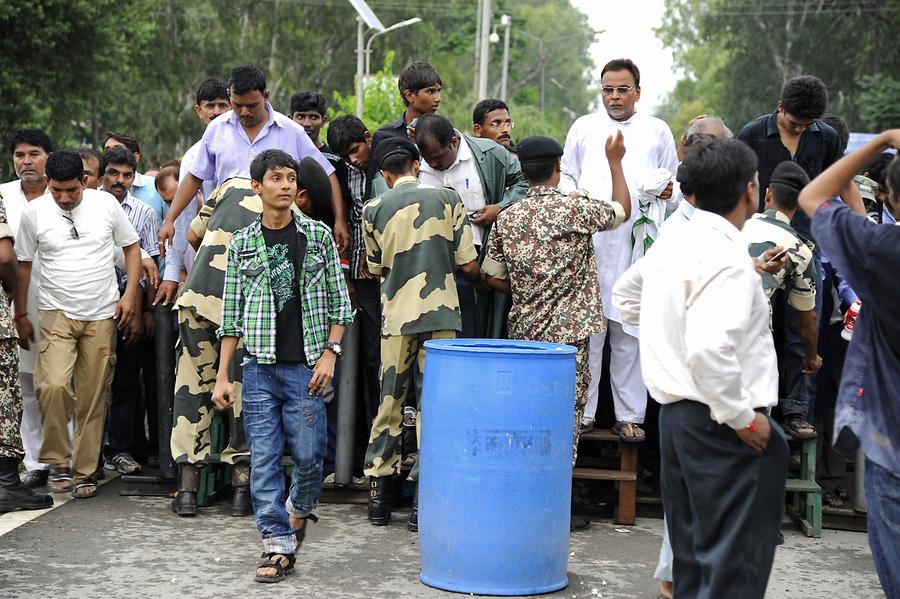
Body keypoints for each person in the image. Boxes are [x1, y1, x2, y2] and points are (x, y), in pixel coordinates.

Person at [612, 139, 788, 598]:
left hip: (677, 420)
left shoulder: (678, 240)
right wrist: (742, 418)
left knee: (692, 561)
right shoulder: (728, 256)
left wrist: (667, 332)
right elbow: (710, 352)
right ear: (752, 191)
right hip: (720, 423)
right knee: (731, 567)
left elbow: (626, 297)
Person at [213, 149, 353, 583]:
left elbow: (340, 305)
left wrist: (331, 353)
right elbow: (231, 314)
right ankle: (275, 544)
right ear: (258, 187)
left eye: (291, 178)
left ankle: (297, 509)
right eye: (276, 178)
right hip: (258, 368)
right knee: (266, 459)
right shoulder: (242, 242)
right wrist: (222, 375)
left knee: (311, 459)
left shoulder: (317, 236)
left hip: (307, 367)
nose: (287, 185)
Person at [483, 133, 632, 530]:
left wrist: (526, 288)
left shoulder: (508, 216)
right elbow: (622, 210)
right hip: (570, 338)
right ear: (558, 167)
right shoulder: (575, 209)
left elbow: (490, 274)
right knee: (565, 418)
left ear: (522, 171)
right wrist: (615, 162)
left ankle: (523, 499)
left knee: (526, 415)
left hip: (525, 334)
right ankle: (554, 505)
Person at [169, 157, 333, 517]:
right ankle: (242, 484)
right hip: (244, 314)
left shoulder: (228, 186)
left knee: (191, 389)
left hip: (197, 298)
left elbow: (193, 235)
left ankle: (187, 486)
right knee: (243, 396)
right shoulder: (300, 223)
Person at [797, 130, 900, 597]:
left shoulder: (884, 253)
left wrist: (880, 142)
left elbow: (814, 196)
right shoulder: (880, 248)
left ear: (888, 198)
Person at [362, 138, 481, 530]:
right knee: (436, 406)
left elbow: (376, 267)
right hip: (443, 314)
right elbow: (467, 262)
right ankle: (423, 500)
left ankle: (379, 495)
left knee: (390, 403)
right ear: (417, 165)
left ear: (384, 174)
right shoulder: (449, 198)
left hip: (397, 317)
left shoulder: (373, 208)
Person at [560, 58, 679, 441]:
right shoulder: (583, 127)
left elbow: (676, 187)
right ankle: (585, 411)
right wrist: (573, 196)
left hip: (636, 246)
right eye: (607, 89)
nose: (614, 97)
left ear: (638, 92)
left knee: (629, 332)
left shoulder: (657, 130)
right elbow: (566, 175)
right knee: (589, 333)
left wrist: (667, 191)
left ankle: (629, 415)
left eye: (622, 89)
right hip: (592, 243)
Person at [15, 151, 142, 499]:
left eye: (71, 190)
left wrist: (129, 295)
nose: (64, 198)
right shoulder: (34, 213)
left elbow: (131, 248)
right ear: (48, 184)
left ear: (84, 182)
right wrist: (20, 314)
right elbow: (23, 266)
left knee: (92, 396)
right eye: (57, 191)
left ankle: (83, 471)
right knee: (52, 384)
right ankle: (57, 459)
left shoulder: (105, 205)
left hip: (102, 314)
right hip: (55, 312)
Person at [157, 66, 347, 261]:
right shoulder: (216, 129)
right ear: (229, 95)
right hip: (228, 235)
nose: (245, 112)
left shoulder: (291, 131)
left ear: (266, 96)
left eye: (252, 105)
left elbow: (327, 174)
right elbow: (194, 177)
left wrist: (340, 221)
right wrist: (169, 219)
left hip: (279, 236)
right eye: (237, 105)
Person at [415, 113, 527, 337]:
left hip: (476, 259)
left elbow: (522, 182)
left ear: (454, 142)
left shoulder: (489, 153)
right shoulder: (417, 163)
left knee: (472, 328)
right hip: (431, 263)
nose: (434, 164)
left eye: (438, 156)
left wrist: (501, 207)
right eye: (429, 159)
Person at [742, 161, 822, 439]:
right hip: (753, 338)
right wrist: (811, 358)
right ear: (799, 206)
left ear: (767, 194)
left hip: (709, 330)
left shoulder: (734, 225)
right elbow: (806, 318)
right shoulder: (800, 250)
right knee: (752, 422)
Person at [99, 146, 159, 475]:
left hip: (129, 300)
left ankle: (119, 448)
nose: (120, 180)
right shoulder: (90, 205)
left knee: (125, 378)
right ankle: (86, 455)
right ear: (101, 174)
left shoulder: (144, 212)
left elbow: (149, 264)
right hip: (93, 298)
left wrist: (143, 310)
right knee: (92, 380)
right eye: (113, 173)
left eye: (126, 175)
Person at [0, 129, 53, 489]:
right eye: (20, 155)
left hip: (61, 301)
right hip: (14, 306)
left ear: (48, 156)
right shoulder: (3, 194)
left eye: (34, 153)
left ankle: (68, 458)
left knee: (62, 384)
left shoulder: (67, 193)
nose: (27, 161)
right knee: (26, 384)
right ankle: (35, 462)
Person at [326, 115, 381, 442]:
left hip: (385, 273)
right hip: (360, 276)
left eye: (356, 150)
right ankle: (365, 435)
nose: (353, 159)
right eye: (346, 155)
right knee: (368, 352)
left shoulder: (382, 170)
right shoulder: (344, 176)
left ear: (368, 138)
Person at [154, 78, 231, 306]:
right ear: (199, 111)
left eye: (222, 105)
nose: (216, 112)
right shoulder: (192, 156)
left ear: (232, 107)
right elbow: (183, 218)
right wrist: (171, 273)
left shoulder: (249, 146)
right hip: (209, 245)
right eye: (210, 106)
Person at [103, 132, 168, 224]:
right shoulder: (92, 196)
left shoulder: (156, 187)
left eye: (118, 149)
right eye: (107, 151)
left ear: (135, 157)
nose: (120, 180)